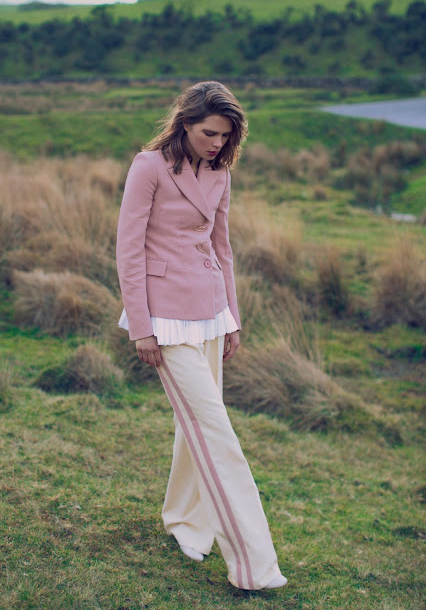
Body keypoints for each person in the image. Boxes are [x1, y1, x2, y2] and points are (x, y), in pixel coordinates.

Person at [116, 81, 287, 591]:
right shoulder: (148, 167)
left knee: (194, 426)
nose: (218, 143)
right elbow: (128, 250)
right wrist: (141, 327)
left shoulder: (220, 172)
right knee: (216, 432)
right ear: (185, 122)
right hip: (164, 318)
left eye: (226, 135)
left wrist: (232, 317)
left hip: (211, 311)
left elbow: (222, 246)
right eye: (210, 133)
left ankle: (185, 522)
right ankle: (254, 566)